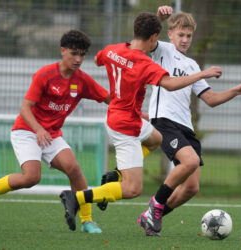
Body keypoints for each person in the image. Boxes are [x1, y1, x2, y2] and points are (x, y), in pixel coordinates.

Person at [59, 12, 222, 234]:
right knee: (132, 189)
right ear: (155, 36)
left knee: (156, 139)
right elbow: (171, 85)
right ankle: (77, 196)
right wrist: (203, 73)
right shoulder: (145, 64)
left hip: (127, 117)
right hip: (125, 126)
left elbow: (98, 60)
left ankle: (115, 175)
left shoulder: (112, 50)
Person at [0, 30, 109, 234]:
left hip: (51, 134)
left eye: (82, 54)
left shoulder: (83, 81)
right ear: (62, 50)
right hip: (26, 130)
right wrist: (39, 129)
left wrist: (134, 107)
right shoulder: (45, 75)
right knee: (32, 178)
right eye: (74, 54)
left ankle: (87, 221)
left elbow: (109, 99)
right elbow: (25, 108)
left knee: (74, 168)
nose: (78, 59)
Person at [135, 6, 241, 236]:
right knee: (189, 162)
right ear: (170, 34)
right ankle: (155, 207)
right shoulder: (163, 51)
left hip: (185, 128)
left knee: (191, 187)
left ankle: (149, 217)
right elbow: (147, 38)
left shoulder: (192, 66)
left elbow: (210, 99)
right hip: (164, 122)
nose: (185, 39)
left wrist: (235, 91)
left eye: (189, 35)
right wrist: (159, 17)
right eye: (181, 34)